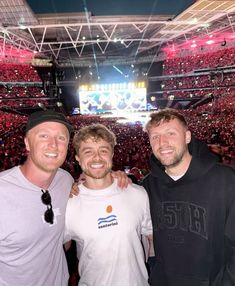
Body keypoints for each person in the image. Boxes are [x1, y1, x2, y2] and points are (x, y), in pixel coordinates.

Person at [0, 110, 129, 286]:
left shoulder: (65, 180)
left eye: (61, 138)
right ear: (27, 143)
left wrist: (112, 175)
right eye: (44, 135)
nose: (53, 144)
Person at [142, 108, 235, 286]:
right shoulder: (147, 187)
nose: (163, 142)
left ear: (187, 137)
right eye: (155, 137)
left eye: (170, 133)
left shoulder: (226, 180)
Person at [64, 123, 152, 286]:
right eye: (88, 151)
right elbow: (55, 251)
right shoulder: (67, 204)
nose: (97, 157)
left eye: (103, 150)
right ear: (77, 157)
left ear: (112, 153)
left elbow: (152, 240)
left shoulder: (138, 194)